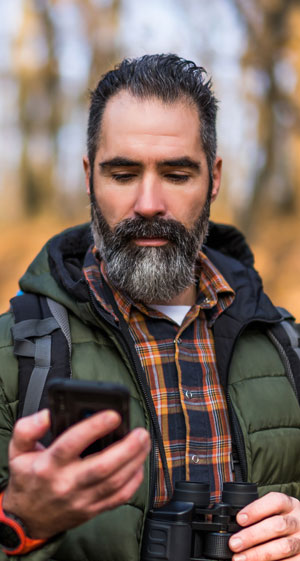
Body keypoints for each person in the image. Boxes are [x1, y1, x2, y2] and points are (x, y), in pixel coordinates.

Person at [0, 53, 299, 561]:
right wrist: (19, 521)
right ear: (89, 176)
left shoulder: (287, 346)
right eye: (122, 173)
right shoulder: (13, 357)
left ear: (215, 179)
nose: (148, 203)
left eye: (177, 174)